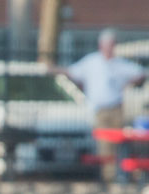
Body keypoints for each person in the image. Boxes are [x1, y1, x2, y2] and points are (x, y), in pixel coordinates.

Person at [61, 29, 146, 183]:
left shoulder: (119, 64)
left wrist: (128, 84)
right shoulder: (92, 62)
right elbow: (72, 72)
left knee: (120, 143)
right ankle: (109, 178)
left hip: (116, 108)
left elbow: (140, 73)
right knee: (104, 144)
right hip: (100, 110)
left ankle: (122, 175)